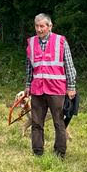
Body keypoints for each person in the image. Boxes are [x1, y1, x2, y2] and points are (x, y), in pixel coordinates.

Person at [25, 13, 77, 158]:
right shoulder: (31, 42)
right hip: (37, 89)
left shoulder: (60, 41)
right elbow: (29, 67)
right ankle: (37, 152)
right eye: (37, 26)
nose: (39, 29)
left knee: (59, 122)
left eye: (42, 26)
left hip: (56, 89)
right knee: (36, 122)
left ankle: (59, 153)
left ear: (50, 26)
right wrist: (28, 85)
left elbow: (69, 65)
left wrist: (71, 86)